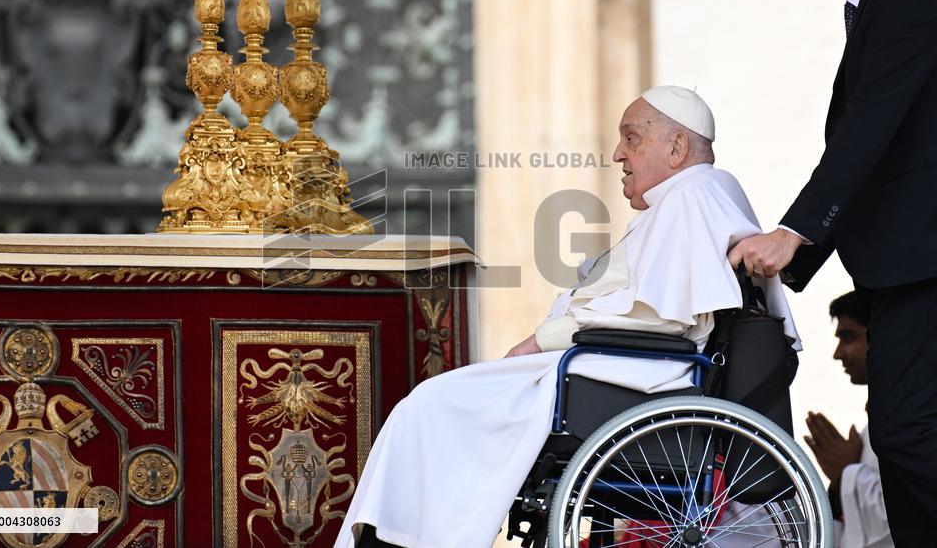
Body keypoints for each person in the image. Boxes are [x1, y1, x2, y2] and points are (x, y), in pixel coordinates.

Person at [335, 86, 800, 548]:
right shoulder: (694, 196)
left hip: (629, 372)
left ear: (677, 147)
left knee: (433, 404)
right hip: (620, 367)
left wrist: (544, 338)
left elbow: (659, 317)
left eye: (632, 138)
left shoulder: (693, 196)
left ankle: (404, 539)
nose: (618, 153)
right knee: (436, 403)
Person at [728, 0, 937, 542]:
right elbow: (873, 156)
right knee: (906, 439)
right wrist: (795, 262)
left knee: (906, 437)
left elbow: (866, 132)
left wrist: (794, 233)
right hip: (904, 266)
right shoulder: (882, 4)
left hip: (925, 264)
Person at [804, 291, 892, 548]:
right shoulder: (870, 430)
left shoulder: (921, 418)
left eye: (849, 337)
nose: (838, 353)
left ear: (881, 336)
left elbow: (910, 514)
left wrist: (847, 473)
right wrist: (838, 487)